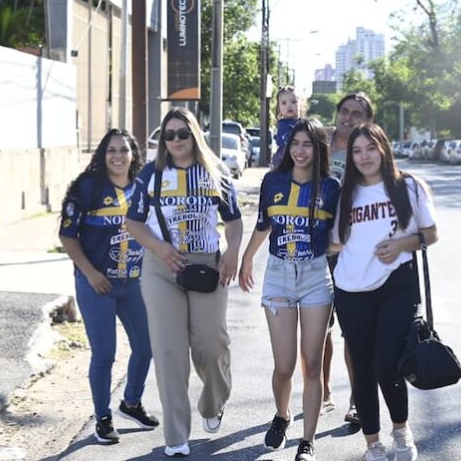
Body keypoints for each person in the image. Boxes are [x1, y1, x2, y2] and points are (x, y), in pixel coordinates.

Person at [126, 107, 243, 458]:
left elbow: (233, 220)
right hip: (161, 267)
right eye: (169, 135)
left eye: (182, 133)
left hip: (208, 265)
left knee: (211, 342)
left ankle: (213, 402)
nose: (175, 140)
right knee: (169, 350)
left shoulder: (215, 171)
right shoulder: (151, 174)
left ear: (195, 134)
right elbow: (133, 223)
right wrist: (161, 248)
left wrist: (233, 251)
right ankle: (176, 435)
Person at [330, 123, 438, 461]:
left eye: (370, 149)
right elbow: (334, 243)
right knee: (362, 368)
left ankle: (401, 431)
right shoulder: (345, 193)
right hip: (351, 288)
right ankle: (373, 444)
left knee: (386, 363)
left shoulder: (408, 186)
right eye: (357, 151)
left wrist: (402, 244)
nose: (364, 157)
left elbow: (431, 233)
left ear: (383, 148)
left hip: (396, 284)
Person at [239, 119, 340, 461]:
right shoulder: (273, 181)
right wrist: (246, 259)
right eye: (295, 143)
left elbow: (340, 236)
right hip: (279, 274)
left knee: (311, 365)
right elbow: (263, 224)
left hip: (315, 275)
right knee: (284, 366)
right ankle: (282, 415)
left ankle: (307, 442)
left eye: (307, 144)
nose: (300, 150)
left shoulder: (331, 187)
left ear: (318, 149)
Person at [58, 128, 158, 445]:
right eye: (111, 150)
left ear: (133, 154)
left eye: (124, 150)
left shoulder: (142, 187)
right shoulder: (87, 188)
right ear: (103, 154)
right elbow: (67, 236)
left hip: (133, 282)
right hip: (96, 284)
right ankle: (103, 417)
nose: (118, 156)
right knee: (104, 353)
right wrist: (90, 273)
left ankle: (131, 402)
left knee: (147, 345)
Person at [326, 91, 376, 427]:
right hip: (316, 244)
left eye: (356, 113)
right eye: (344, 111)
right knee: (319, 329)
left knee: (353, 330)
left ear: (367, 121)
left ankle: (358, 399)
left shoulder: (368, 152)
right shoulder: (319, 143)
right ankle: (322, 390)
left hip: (353, 249)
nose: (348, 118)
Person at [272, 85, 307, 167]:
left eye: (293, 102)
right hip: (284, 161)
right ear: (279, 108)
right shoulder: (283, 125)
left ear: (300, 104)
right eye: (284, 103)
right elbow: (286, 142)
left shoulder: (304, 123)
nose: (289, 106)